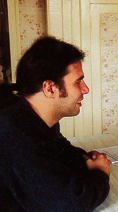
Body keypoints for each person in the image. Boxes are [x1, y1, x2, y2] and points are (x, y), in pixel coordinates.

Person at [0, 36, 111, 211]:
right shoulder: (18, 137)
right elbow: (73, 202)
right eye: (78, 81)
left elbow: (61, 151)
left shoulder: (30, 116)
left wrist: (86, 160)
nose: (86, 89)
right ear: (50, 88)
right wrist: (100, 173)